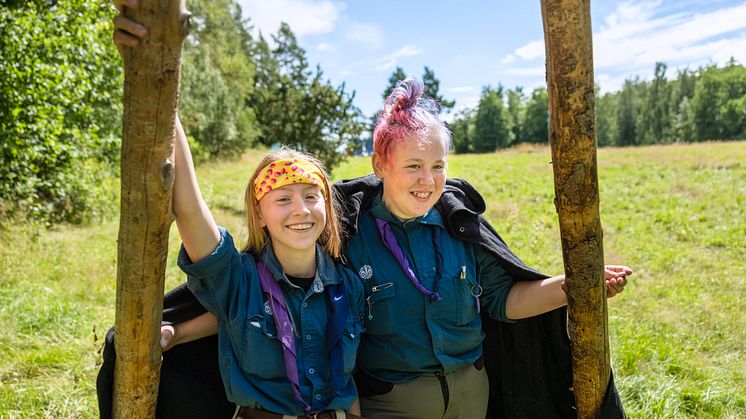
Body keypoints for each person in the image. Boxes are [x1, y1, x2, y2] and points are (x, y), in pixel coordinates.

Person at [103, 6, 632, 418]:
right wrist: (154, 82)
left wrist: (573, 285)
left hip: (465, 399)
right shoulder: (340, 245)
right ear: (381, 163)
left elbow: (500, 300)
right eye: (413, 166)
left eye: (438, 165)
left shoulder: (446, 231)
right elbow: (252, 291)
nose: (428, 180)